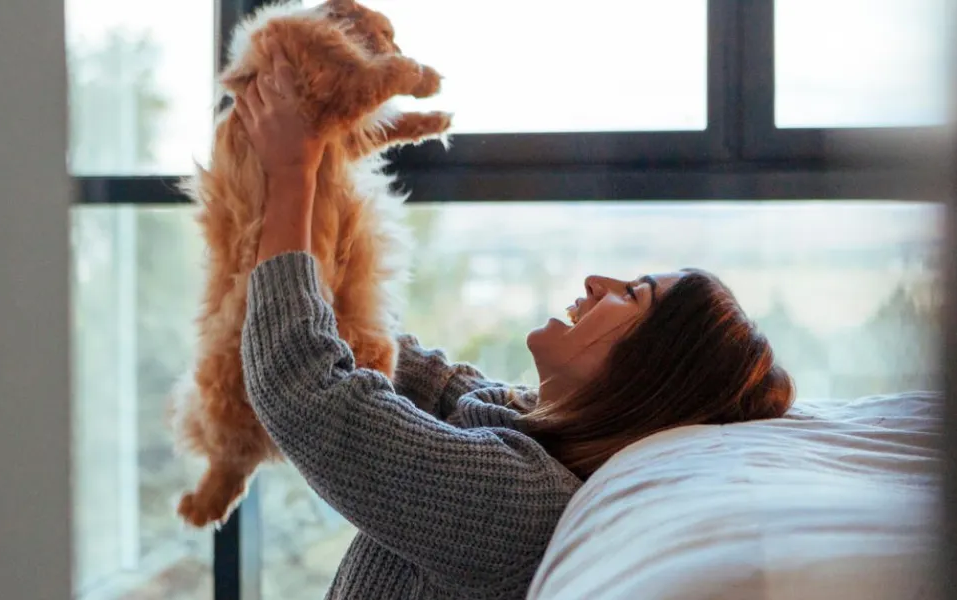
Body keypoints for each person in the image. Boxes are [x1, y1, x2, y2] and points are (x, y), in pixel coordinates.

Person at [231, 48, 796, 600]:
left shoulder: (519, 501)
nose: (598, 281)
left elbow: (306, 389)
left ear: (650, 371)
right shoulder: (519, 415)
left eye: (632, 295)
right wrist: (324, 157)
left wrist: (291, 174)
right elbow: (380, 353)